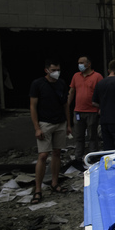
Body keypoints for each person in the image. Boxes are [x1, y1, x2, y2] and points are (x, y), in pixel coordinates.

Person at [29, 59, 71, 204]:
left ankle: (54, 183)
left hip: (60, 122)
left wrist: (68, 124)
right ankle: (38, 189)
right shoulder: (38, 84)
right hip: (45, 123)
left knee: (57, 153)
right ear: (46, 70)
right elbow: (33, 106)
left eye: (58, 69)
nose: (56, 72)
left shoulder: (61, 84)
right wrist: (37, 128)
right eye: (53, 70)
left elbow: (66, 105)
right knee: (43, 155)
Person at [68, 55, 103, 166]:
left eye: (82, 63)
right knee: (79, 136)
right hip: (78, 111)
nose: (80, 65)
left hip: (92, 111)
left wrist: (101, 108)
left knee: (92, 136)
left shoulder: (97, 76)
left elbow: (102, 94)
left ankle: (92, 157)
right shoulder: (76, 76)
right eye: (79, 63)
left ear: (89, 64)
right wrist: (67, 105)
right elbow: (72, 91)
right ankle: (79, 158)